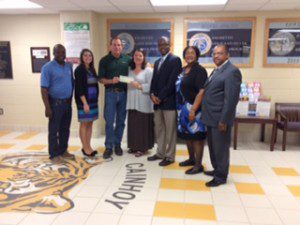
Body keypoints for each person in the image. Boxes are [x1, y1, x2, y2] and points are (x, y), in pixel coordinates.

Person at [201, 44, 242, 187]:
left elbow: (231, 100)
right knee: (213, 147)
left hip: (220, 119)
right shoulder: (217, 70)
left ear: (227, 55)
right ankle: (217, 169)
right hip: (211, 116)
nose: (216, 56)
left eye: (220, 53)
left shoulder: (232, 71)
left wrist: (224, 120)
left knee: (221, 148)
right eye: (214, 53)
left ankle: (221, 177)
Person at [148, 36, 182, 166]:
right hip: (156, 103)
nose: (162, 46)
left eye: (164, 44)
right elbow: (154, 81)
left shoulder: (175, 60)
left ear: (170, 44)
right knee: (160, 129)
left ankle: (169, 156)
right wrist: (152, 94)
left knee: (170, 130)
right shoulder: (157, 62)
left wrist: (160, 97)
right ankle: (160, 153)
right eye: (160, 44)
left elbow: (172, 82)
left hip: (168, 102)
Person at [176, 46, 207, 174]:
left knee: (197, 137)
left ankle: (198, 165)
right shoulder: (183, 70)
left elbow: (201, 91)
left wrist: (193, 110)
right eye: (187, 53)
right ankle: (191, 159)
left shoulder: (199, 70)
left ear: (197, 55)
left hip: (195, 108)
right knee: (188, 135)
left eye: (192, 53)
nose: (189, 55)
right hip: (183, 108)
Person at [98, 37, 131, 159]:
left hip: (123, 94)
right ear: (110, 46)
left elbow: (135, 70)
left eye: (119, 45)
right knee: (109, 121)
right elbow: (101, 79)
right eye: (114, 45)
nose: (117, 47)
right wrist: (111, 81)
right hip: (110, 93)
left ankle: (117, 145)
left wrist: (146, 64)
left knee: (121, 121)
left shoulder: (128, 59)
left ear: (122, 47)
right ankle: (108, 146)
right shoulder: (104, 60)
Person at [40, 44, 74, 162]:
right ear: (54, 53)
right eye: (58, 52)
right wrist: (47, 108)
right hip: (55, 104)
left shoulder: (69, 66)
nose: (61, 54)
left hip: (67, 104)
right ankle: (54, 155)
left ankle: (63, 151)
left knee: (65, 129)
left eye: (63, 52)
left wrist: (70, 99)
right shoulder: (47, 67)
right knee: (54, 130)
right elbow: (44, 89)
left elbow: (71, 83)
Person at [126, 49, 154, 157]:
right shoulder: (130, 69)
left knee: (142, 125)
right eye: (136, 55)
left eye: (140, 55)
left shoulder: (148, 71)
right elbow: (128, 80)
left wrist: (140, 86)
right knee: (133, 124)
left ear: (144, 58)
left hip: (143, 101)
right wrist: (119, 78)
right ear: (133, 57)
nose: (137, 57)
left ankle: (142, 148)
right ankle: (133, 146)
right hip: (132, 101)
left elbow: (151, 85)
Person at [74, 49, 99, 157]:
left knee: (90, 123)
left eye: (90, 55)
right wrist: (85, 103)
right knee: (84, 123)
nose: (88, 57)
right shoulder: (79, 70)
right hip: (84, 102)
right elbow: (79, 88)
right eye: (85, 55)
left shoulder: (91, 69)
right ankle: (85, 148)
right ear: (81, 57)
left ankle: (88, 146)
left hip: (93, 101)